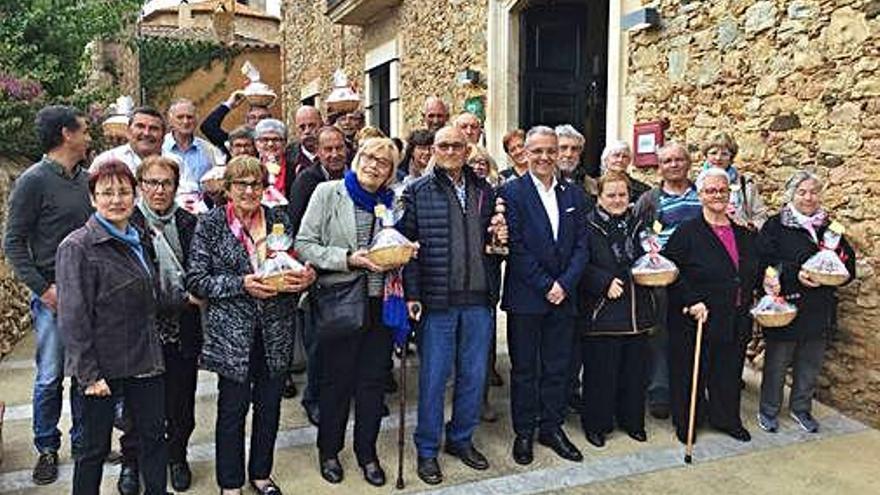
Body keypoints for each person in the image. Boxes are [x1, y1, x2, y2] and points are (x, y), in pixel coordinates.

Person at [186, 156, 316, 495]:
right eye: (240, 184)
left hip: (275, 330)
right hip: (233, 336)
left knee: (270, 407)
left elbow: (294, 260)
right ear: (227, 189)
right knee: (232, 410)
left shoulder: (279, 218)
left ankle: (261, 474)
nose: (248, 190)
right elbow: (197, 280)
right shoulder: (211, 224)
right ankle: (230, 483)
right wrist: (241, 283)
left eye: (255, 183)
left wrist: (304, 277)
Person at [56, 160, 168, 495]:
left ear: (135, 196)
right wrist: (89, 375)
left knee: (153, 438)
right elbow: (73, 318)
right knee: (92, 450)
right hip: (102, 369)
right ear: (92, 199)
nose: (116, 199)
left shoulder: (140, 237)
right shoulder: (77, 247)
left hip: (145, 360)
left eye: (123, 191)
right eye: (107, 193)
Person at [296, 137, 402, 487]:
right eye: (369, 157)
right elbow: (304, 243)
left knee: (372, 384)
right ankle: (329, 451)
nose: (374, 165)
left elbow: (397, 245)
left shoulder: (394, 201)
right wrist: (346, 259)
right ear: (357, 158)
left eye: (383, 162)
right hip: (340, 300)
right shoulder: (329, 192)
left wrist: (405, 250)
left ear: (390, 172)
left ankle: (366, 453)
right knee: (335, 383)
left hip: (381, 304)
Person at [401, 126, 505, 485]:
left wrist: (500, 237)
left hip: (478, 300)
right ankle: (427, 449)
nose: (450, 151)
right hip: (437, 301)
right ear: (433, 150)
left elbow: (496, 238)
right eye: (442, 145)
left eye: (456, 146)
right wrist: (412, 294)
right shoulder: (417, 191)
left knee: (474, 377)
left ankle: (461, 439)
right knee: (433, 378)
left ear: (466, 149)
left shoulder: (485, 190)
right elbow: (407, 249)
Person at [3, 105, 92, 485]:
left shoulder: (87, 180)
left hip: (89, 294)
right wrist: (44, 290)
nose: (89, 137)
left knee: (86, 372)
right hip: (53, 297)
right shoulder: (33, 181)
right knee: (50, 376)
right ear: (66, 134)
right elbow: (13, 243)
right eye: (84, 131)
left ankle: (87, 443)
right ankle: (46, 447)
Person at [502, 126, 589, 466]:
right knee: (525, 368)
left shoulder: (575, 194)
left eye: (550, 151)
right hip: (527, 297)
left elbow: (583, 245)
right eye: (536, 151)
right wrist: (546, 285)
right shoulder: (511, 193)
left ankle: (550, 427)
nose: (544, 157)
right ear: (525, 152)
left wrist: (564, 284)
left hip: (564, 296)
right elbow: (516, 247)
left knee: (557, 366)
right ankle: (524, 431)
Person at [663, 167, 761, 445]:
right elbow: (672, 271)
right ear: (700, 195)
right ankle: (688, 420)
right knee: (691, 371)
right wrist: (691, 300)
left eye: (722, 190)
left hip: (735, 315)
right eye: (711, 190)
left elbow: (754, 269)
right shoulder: (687, 232)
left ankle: (726, 418)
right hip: (698, 316)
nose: (717, 195)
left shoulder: (744, 234)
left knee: (728, 371)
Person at [756, 171, 856, 433]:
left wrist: (835, 276)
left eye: (813, 192)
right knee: (777, 363)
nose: (808, 197)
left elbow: (848, 263)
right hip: (785, 305)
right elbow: (763, 263)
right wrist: (793, 273)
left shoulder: (829, 228)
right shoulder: (776, 226)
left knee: (810, 364)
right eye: (802, 192)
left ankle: (801, 409)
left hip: (818, 306)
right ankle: (769, 410)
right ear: (791, 194)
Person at [131, 156, 202, 491]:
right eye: (151, 183)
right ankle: (133, 462)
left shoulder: (189, 222)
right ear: (140, 186)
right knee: (136, 405)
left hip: (182, 331)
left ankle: (177, 456)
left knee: (180, 402)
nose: (159, 190)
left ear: (176, 186)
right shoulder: (126, 223)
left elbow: (201, 272)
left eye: (166, 183)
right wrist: (182, 298)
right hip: (139, 333)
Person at [578, 172, 655, 448]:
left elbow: (649, 255)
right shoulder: (586, 225)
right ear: (599, 197)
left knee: (634, 372)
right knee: (602, 373)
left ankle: (632, 421)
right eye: (611, 195)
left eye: (622, 194)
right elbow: (578, 264)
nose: (617, 200)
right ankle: (596, 424)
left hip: (637, 309)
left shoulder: (639, 223)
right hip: (603, 310)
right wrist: (602, 282)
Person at [633, 142, 703, 421]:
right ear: (659, 166)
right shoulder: (650, 199)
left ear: (688, 163)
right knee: (660, 334)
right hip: (661, 279)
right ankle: (659, 391)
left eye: (678, 159)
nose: (673, 165)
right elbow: (636, 233)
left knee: (690, 334)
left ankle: (691, 391)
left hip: (697, 277)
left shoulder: (702, 194)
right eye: (667, 161)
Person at [287, 125, 349, 424]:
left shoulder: (352, 177)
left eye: (339, 147)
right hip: (318, 274)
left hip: (348, 270)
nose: (335, 154)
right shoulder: (306, 181)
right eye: (328, 149)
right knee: (319, 343)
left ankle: (342, 394)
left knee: (346, 342)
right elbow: (298, 231)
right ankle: (313, 399)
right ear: (319, 152)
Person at [701, 131, 768, 230]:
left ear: (731, 157)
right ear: (706, 156)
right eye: (713, 153)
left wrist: (751, 226)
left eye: (724, 154)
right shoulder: (696, 183)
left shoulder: (745, 183)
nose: (718, 158)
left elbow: (760, 216)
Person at [162, 98, 218, 191]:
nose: (185, 121)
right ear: (170, 120)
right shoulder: (160, 147)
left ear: (196, 120)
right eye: (180, 117)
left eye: (189, 117)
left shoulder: (209, 150)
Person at [199, 89, 271, 159]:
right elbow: (208, 127)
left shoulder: (277, 144)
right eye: (252, 117)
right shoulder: (234, 141)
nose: (256, 121)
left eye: (262, 117)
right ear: (247, 121)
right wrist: (229, 105)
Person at [90, 106, 165, 174]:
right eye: (140, 126)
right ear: (128, 131)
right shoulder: (106, 160)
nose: (146, 133)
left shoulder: (174, 160)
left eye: (154, 128)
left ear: (163, 134)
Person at [253, 119, 293, 205]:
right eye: (265, 139)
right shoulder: (250, 169)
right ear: (256, 143)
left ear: (285, 143)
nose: (270, 144)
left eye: (276, 139)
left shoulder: (295, 169)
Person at [287, 105, 323, 178]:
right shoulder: (287, 158)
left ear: (321, 125)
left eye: (312, 126)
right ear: (296, 130)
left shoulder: (335, 152)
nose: (307, 131)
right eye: (302, 127)